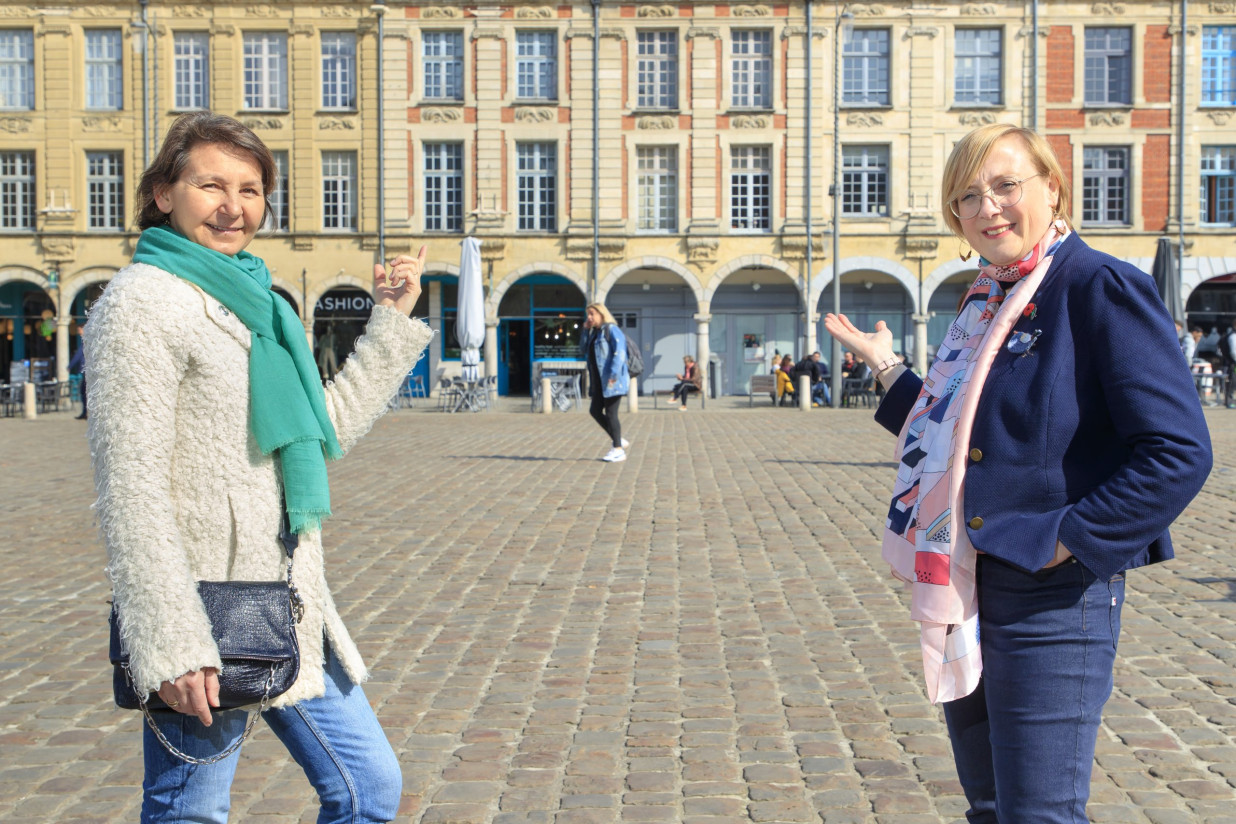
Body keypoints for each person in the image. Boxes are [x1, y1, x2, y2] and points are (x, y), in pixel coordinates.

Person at [824, 123, 1212, 823]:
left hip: (1051, 596)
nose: (988, 208)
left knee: (1040, 813)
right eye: (968, 196)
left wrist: (1068, 539)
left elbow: (1178, 450)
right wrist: (887, 368)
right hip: (966, 582)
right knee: (992, 806)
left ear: (1052, 188)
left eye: (1006, 186)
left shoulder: (1097, 285)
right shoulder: (988, 302)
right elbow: (970, 434)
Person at [84, 112, 432, 823]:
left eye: (250, 188)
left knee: (369, 788)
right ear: (163, 193)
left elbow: (320, 428)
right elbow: (131, 489)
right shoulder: (140, 304)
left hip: (289, 605)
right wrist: (172, 641)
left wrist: (390, 322)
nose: (232, 206)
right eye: (210, 184)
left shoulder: (259, 304)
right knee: (192, 812)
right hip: (202, 616)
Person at [581, 302, 629, 462]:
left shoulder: (611, 330)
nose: (589, 317)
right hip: (598, 381)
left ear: (602, 314)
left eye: (592, 313)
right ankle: (618, 439)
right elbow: (582, 349)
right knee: (594, 411)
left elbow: (620, 352)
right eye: (588, 314)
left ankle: (618, 449)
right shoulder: (595, 333)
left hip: (611, 380)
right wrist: (585, 330)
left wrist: (613, 374)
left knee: (611, 414)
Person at [68, 341, 87, 420]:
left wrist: (70, 366)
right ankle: (85, 412)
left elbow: (78, 355)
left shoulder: (85, 341)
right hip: (88, 370)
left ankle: (85, 412)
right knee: (85, 392)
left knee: (83, 392)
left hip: (86, 370)